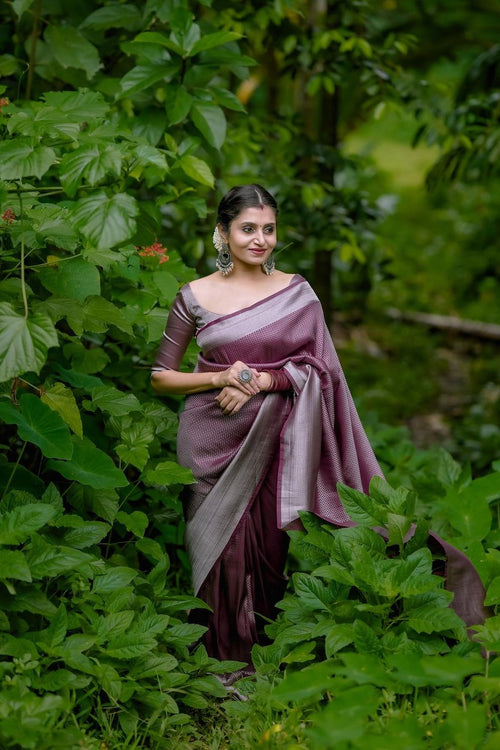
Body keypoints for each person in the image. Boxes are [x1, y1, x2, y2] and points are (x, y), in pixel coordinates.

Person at [151, 183, 486, 674]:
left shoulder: (297, 294)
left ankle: (257, 658)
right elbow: (161, 377)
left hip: (279, 440)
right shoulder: (194, 296)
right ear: (222, 234)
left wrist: (264, 379)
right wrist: (222, 375)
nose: (260, 239)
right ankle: (216, 663)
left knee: (266, 551)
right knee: (214, 552)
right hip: (209, 440)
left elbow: (321, 370)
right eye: (247, 229)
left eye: (268, 229)